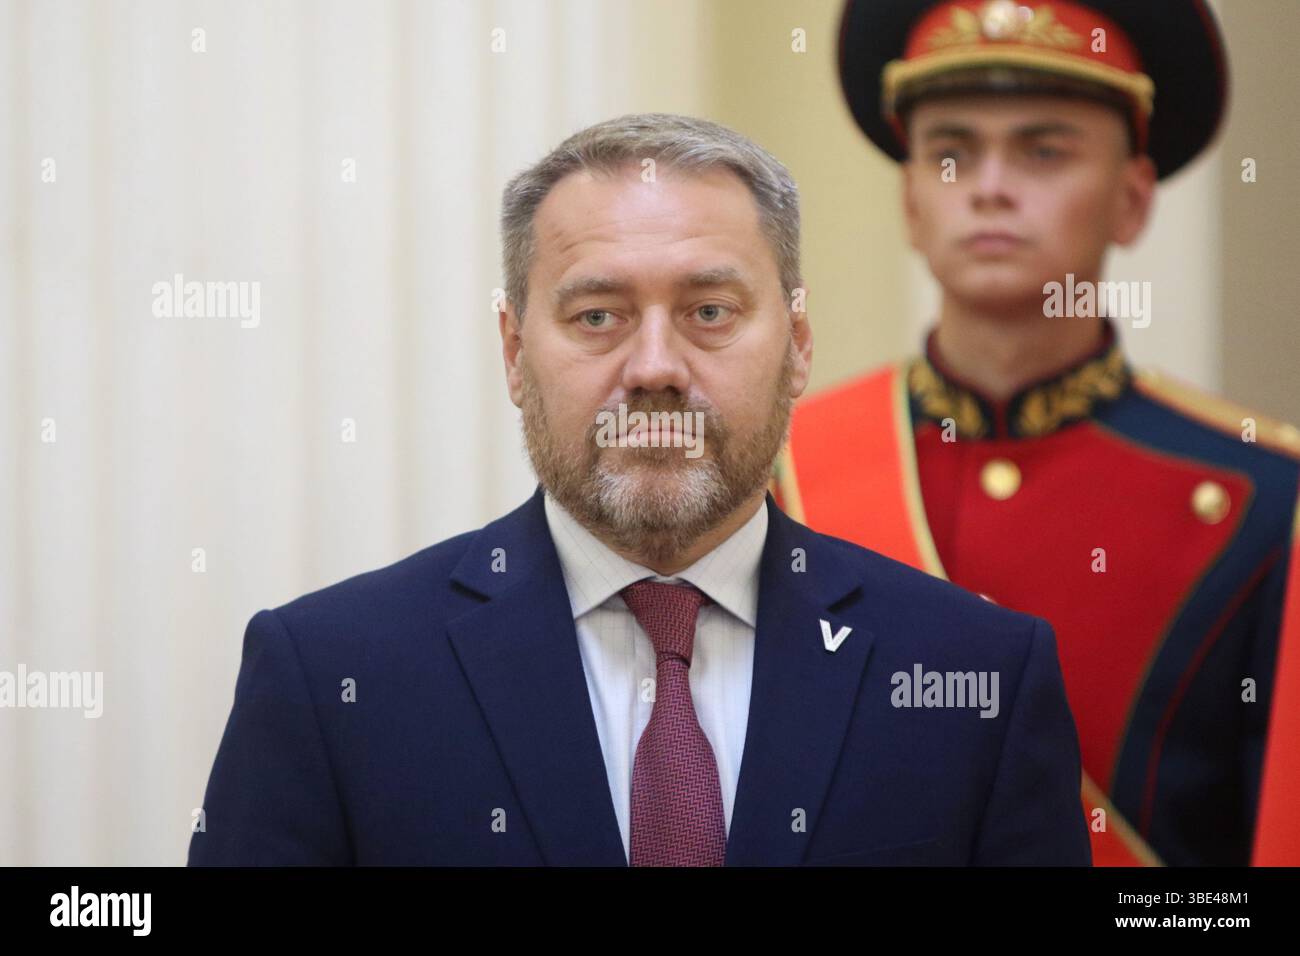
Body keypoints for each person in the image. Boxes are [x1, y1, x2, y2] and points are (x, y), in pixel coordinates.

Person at [189, 112, 1090, 866]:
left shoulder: (980, 680)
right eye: (597, 317)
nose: (655, 367)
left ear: (799, 344)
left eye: (709, 312)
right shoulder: (330, 677)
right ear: (513, 351)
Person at [776, 0, 1300, 865]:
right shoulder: (782, 471)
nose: (988, 184)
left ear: (1131, 200)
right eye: (950, 152)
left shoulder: (1262, 499)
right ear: (910, 198)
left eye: (1043, 149)